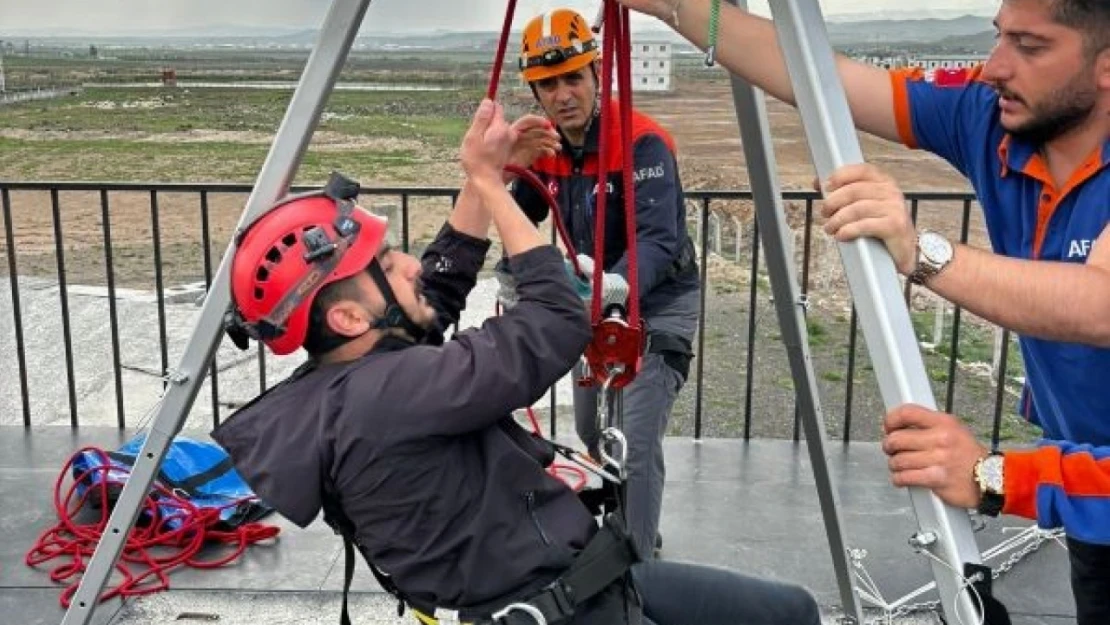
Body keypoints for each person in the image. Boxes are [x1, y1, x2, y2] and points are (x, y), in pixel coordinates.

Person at [212, 99, 821, 625]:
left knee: (788, 611)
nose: (409, 265)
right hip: (566, 609)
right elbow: (555, 320)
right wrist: (493, 185)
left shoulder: (352, 377)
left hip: (581, 585)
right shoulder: (395, 392)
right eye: (386, 263)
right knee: (791, 613)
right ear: (346, 317)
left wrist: (487, 177)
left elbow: (440, 287)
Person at [616, 0, 1110, 621]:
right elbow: (824, 79)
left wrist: (995, 475)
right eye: (998, 38)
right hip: (1086, 480)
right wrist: (673, 8)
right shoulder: (994, 122)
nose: (993, 67)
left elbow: (1099, 304)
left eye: (1030, 47)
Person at [504, 7, 701, 561]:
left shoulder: (641, 142)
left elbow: (660, 239)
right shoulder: (544, 148)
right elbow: (510, 215)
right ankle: (629, 526)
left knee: (636, 442)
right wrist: (502, 171)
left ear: (596, 77)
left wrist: (613, 285)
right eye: (548, 84)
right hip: (593, 301)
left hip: (658, 302)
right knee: (593, 432)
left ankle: (638, 564)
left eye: (573, 78)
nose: (563, 94)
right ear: (536, 93)